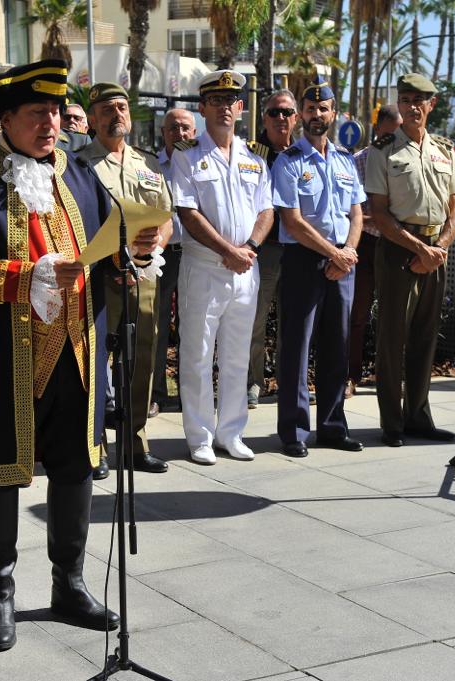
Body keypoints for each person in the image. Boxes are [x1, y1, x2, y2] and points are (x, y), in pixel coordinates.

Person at [0, 59, 159, 652]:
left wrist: (135, 249)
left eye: (57, 113)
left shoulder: (79, 173)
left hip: (78, 348)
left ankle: (69, 583)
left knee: (75, 467)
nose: (52, 124)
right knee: (0, 473)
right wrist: (25, 275)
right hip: (2, 353)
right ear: (4, 119)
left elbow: (107, 246)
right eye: (38, 113)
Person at [172, 70, 274, 465]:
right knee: (197, 354)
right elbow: (188, 211)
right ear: (203, 107)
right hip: (205, 268)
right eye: (215, 100)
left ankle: (231, 432)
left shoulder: (255, 159)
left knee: (236, 356)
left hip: (246, 269)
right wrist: (226, 249)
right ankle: (199, 436)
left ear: (240, 108)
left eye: (230, 101)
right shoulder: (187, 155)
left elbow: (266, 209)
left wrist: (247, 248)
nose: (223, 108)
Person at [364, 73, 455, 447]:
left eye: (420, 100)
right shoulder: (384, 150)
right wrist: (419, 249)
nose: (412, 107)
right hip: (398, 252)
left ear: (432, 105)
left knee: (426, 338)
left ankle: (419, 417)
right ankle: (392, 423)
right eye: (406, 99)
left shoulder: (444, 149)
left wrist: (438, 248)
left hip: (435, 252)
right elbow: (378, 213)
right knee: (393, 339)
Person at [77, 82, 173, 477]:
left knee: (142, 360)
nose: (117, 114)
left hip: (144, 274)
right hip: (99, 277)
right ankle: (94, 445)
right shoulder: (79, 163)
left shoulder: (147, 163)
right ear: (94, 118)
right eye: (107, 109)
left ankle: (134, 444)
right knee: (96, 361)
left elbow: (165, 217)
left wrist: (155, 243)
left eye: (122, 107)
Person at [273, 83, 365, 458]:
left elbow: (356, 213)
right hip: (304, 262)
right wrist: (334, 253)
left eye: (322, 109)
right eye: (309, 108)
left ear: (334, 114)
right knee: (296, 348)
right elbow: (292, 221)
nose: (316, 115)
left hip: (343, 264)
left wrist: (348, 253)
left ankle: (331, 426)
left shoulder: (345, 160)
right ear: (301, 115)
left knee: (337, 347)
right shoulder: (288, 161)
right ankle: (294, 431)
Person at [247, 89, 298, 408]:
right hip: (263, 251)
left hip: (297, 251)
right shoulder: (251, 154)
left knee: (293, 323)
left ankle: (287, 381)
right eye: (275, 112)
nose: (281, 118)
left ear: (296, 118)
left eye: (287, 112)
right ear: (264, 117)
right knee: (256, 320)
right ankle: (253, 383)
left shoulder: (303, 153)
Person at [347, 103, 402, 399]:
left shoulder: (407, 162)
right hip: (366, 244)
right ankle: (350, 377)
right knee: (358, 315)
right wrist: (380, 221)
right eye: (390, 132)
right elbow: (348, 212)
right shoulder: (359, 162)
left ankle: (390, 379)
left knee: (394, 317)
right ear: (377, 127)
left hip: (397, 246)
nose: (395, 139)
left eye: (400, 132)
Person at [151, 108, 196, 414]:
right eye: (173, 128)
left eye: (185, 129)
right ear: (163, 133)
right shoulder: (151, 165)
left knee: (192, 325)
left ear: (193, 132)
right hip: (163, 253)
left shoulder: (203, 163)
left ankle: (189, 392)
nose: (179, 134)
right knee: (155, 324)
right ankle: (155, 393)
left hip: (195, 253)